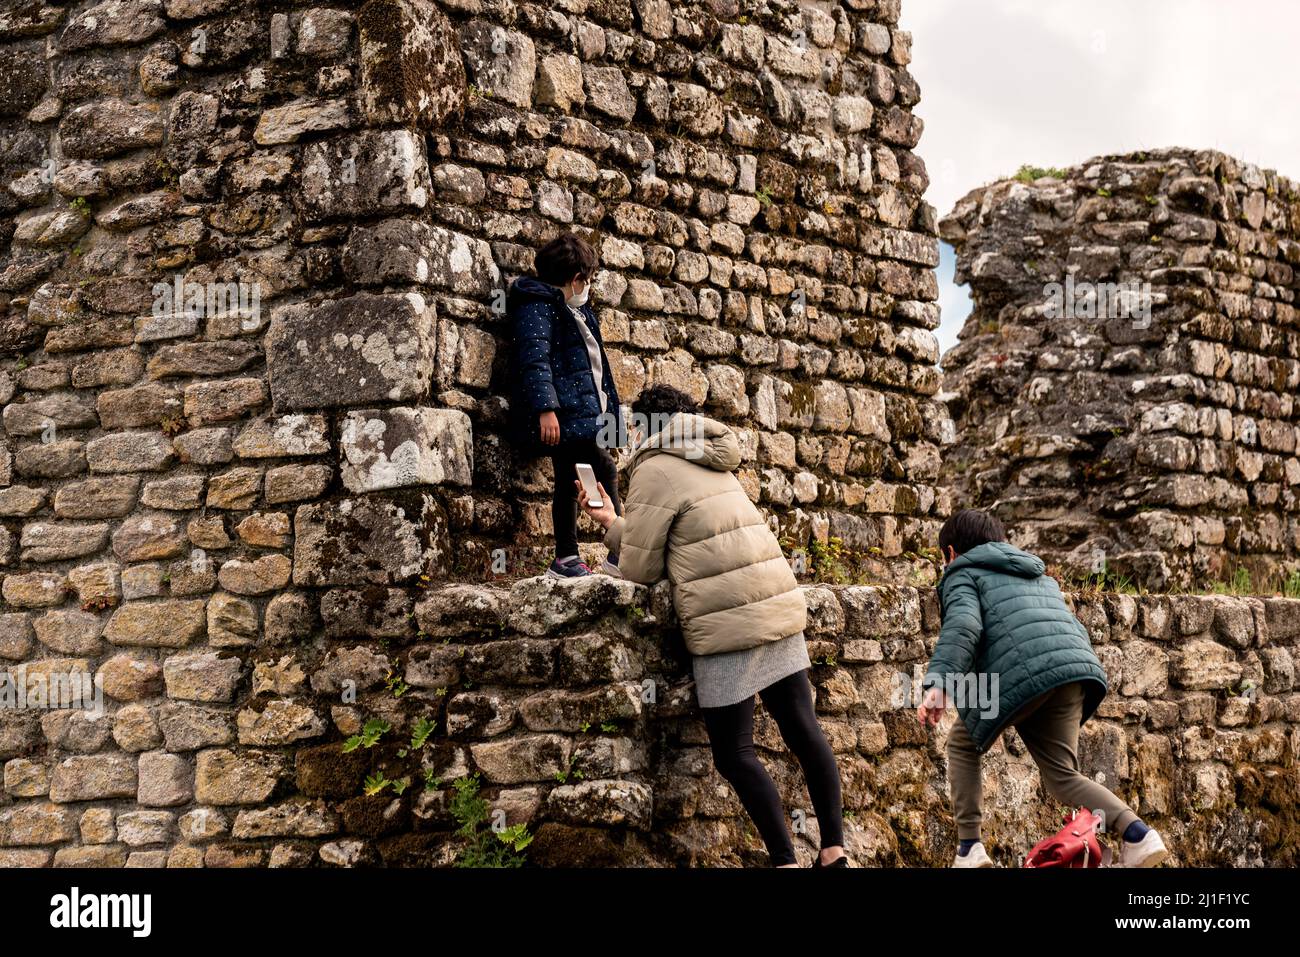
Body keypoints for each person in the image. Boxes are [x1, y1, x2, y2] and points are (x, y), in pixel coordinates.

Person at [577, 384, 847, 868]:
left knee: (734, 752)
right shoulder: (710, 454)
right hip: (776, 605)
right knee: (803, 730)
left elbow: (639, 568)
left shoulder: (654, 467)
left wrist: (608, 523)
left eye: (634, 425)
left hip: (727, 622)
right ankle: (833, 853)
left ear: (644, 425)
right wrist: (616, 519)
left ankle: (784, 861)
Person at [917, 508, 1169, 868]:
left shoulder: (962, 573)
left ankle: (969, 850)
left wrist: (939, 684)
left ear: (952, 553)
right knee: (1064, 778)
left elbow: (964, 626)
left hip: (1022, 674)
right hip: (1073, 672)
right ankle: (1138, 834)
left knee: (962, 741)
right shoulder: (1037, 573)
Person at [506, 233, 624, 578]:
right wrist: (547, 409)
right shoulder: (538, 308)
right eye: (586, 281)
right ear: (575, 280)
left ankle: (576, 556)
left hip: (583, 417)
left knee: (573, 479)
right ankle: (607, 551)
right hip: (566, 417)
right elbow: (534, 360)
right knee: (598, 472)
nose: (587, 288)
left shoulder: (577, 310)